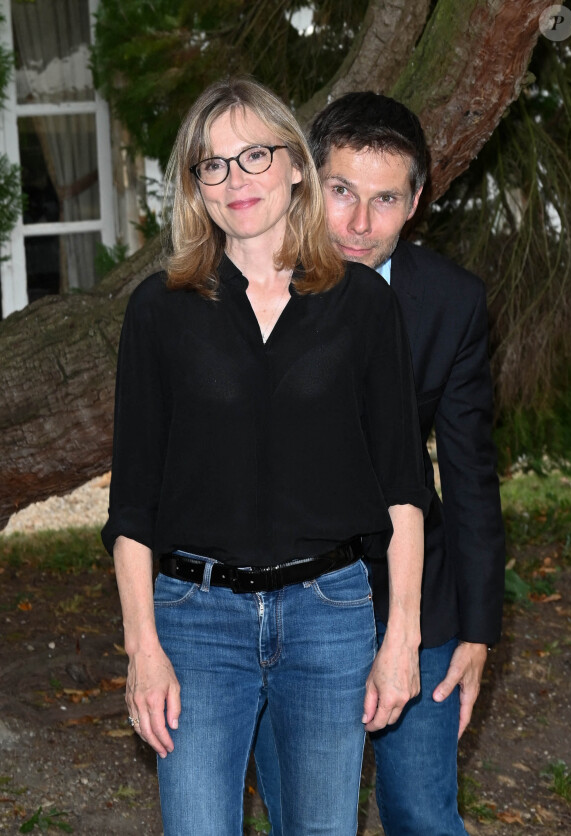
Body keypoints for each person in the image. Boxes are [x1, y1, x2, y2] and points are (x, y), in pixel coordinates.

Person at [101, 78, 431, 836]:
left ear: (294, 166)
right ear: (196, 188)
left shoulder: (364, 306)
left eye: (255, 155)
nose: (236, 179)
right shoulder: (159, 310)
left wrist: (402, 638)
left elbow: (403, 490)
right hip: (195, 622)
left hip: (330, 617)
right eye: (212, 165)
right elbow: (133, 509)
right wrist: (142, 649)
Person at [253, 93, 505, 835]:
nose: (360, 224)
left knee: (422, 814)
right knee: (305, 818)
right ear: (304, 181)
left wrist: (477, 632)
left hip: (416, 603)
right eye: (342, 193)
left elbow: (468, 476)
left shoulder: (451, 303)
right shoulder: (246, 288)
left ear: (416, 200)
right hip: (285, 599)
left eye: (385, 199)